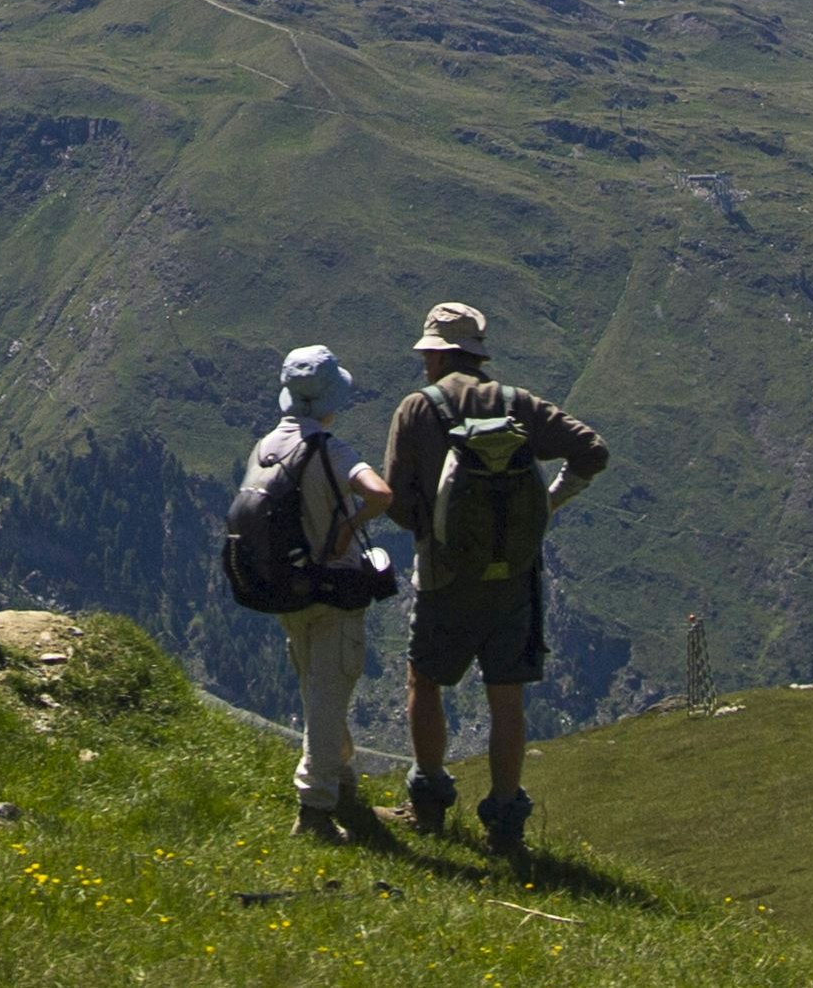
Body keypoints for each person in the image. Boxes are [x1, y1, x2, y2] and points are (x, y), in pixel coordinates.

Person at [382, 301, 607, 856]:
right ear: (476, 355)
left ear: (438, 356)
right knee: (506, 696)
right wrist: (547, 505)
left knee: (424, 681)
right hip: (514, 576)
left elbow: (396, 499)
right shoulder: (517, 404)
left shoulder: (417, 409)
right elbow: (592, 451)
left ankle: (428, 803)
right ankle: (506, 823)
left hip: (443, 576)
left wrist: (435, 530)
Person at [238, 344, 391, 838]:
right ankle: (315, 809)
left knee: (318, 693)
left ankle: (341, 783)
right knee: (329, 697)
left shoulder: (266, 448)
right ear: (330, 399)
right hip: (334, 590)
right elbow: (380, 494)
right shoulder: (331, 450)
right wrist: (348, 528)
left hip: (288, 590)